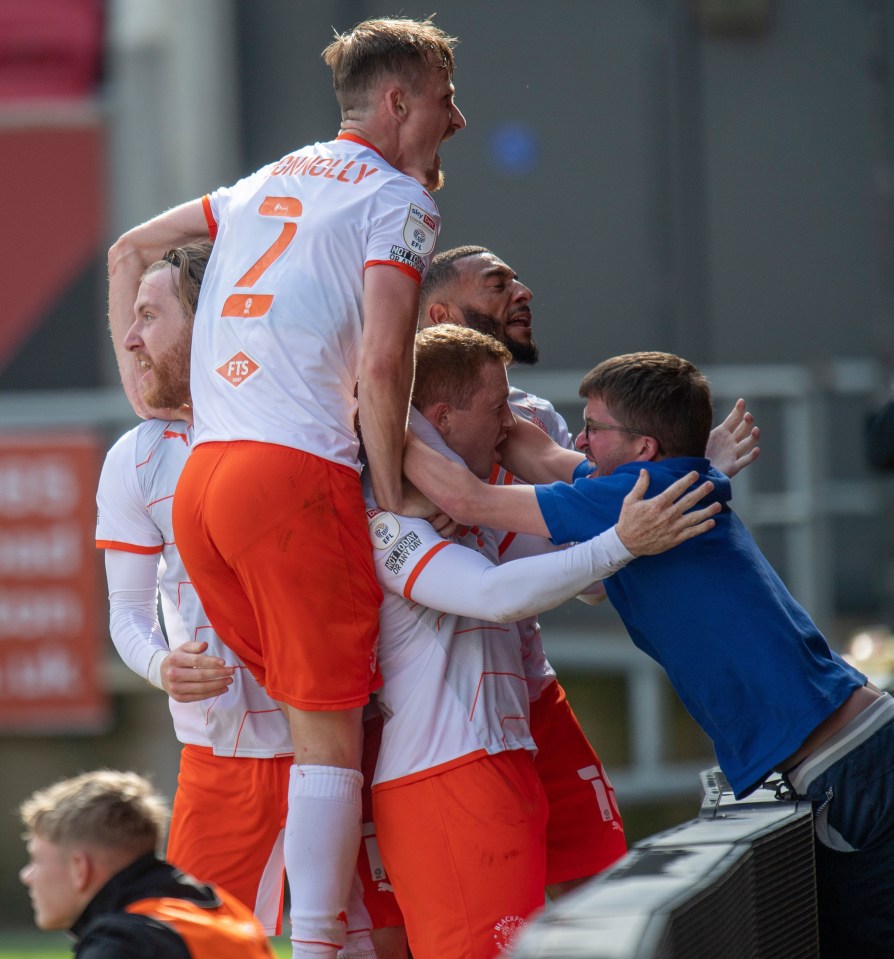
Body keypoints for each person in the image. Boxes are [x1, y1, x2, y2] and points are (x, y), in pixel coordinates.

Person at [106, 18, 465, 958]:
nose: (456, 121)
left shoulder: (273, 174)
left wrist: (140, 392)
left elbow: (130, 245)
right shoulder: (399, 201)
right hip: (288, 477)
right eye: (443, 99)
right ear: (398, 102)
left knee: (300, 731)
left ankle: (315, 930)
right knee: (332, 747)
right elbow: (386, 362)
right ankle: (318, 947)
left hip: (204, 480)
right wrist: (392, 494)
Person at [404, 349, 893, 958]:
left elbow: (467, 499)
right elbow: (542, 456)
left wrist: (377, 406)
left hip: (848, 767)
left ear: (643, 449)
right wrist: (488, 416)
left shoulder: (627, 497)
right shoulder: (647, 482)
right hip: (849, 749)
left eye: (595, 428)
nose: (578, 437)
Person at [365, 327, 721, 959]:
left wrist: (682, 473)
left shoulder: (463, 500)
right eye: (498, 407)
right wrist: (623, 543)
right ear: (440, 417)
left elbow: (568, 558)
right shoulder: (389, 513)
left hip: (502, 752)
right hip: (444, 775)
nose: (511, 422)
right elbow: (497, 595)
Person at [418, 245, 761, 894]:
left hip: (525, 687)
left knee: (599, 889)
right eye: (497, 284)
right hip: (431, 716)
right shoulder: (377, 430)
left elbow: (596, 581)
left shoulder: (534, 423)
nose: (522, 291)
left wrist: (684, 476)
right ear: (439, 312)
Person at [19, 769, 275, 958]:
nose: (26, 876)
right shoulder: (223, 909)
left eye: (36, 859)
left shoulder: (124, 945)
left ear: (80, 869)